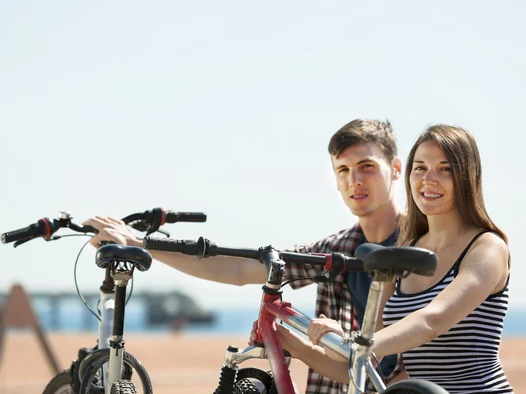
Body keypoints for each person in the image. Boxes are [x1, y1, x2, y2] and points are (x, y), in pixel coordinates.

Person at [84, 118, 404, 394]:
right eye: (343, 170)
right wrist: (141, 244)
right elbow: (240, 268)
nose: (355, 180)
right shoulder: (341, 248)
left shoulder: (424, 247)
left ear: (396, 169)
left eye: (367, 167)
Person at [260, 124, 514, 393]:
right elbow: (364, 364)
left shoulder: (487, 247)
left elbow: (433, 320)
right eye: (420, 168)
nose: (429, 179)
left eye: (445, 168)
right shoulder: (405, 252)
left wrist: (354, 341)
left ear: (466, 176)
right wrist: (294, 343)